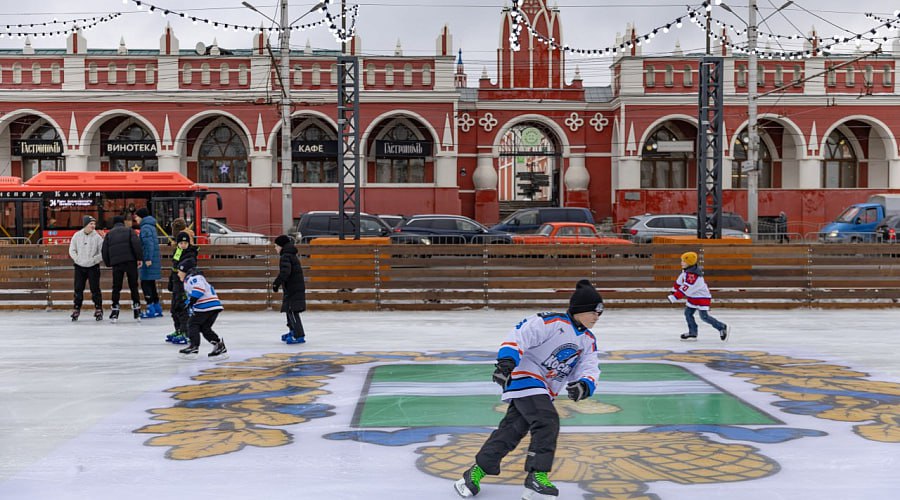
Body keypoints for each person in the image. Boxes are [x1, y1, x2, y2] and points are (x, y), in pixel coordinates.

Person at [454, 279, 603, 500]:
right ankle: (537, 477)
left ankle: (474, 473)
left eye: (600, 312)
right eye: (594, 311)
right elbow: (519, 336)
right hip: (524, 376)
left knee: (511, 431)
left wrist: (585, 384)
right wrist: (506, 362)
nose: (597, 316)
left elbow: (589, 367)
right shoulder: (552, 322)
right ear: (579, 309)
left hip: (544, 389)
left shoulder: (588, 341)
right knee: (547, 420)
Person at [667, 251, 729, 341]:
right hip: (693, 297)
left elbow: (686, 287)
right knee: (688, 313)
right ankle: (693, 332)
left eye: (684, 261)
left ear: (689, 263)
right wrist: (674, 290)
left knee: (704, 317)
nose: (681, 263)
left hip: (702, 298)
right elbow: (679, 282)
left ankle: (721, 327)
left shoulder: (692, 275)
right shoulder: (686, 272)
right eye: (682, 260)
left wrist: (674, 297)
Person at [176, 258, 227, 360]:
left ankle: (194, 346)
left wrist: (191, 302)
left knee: (192, 324)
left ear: (185, 271)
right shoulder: (193, 278)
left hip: (206, 306)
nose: (178, 274)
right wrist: (186, 304)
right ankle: (219, 345)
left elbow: (199, 289)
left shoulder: (193, 278)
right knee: (205, 328)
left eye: (179, 271)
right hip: (213, 306)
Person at [101, 215, 143, 322]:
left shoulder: (109, 234)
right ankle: (137, 308)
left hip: (117, 263)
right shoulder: (129, 231)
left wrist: (108, 263)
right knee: (133, 286)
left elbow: (104, 250)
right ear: (123, 222)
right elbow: (136, 244)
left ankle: (115, 309)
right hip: (130, 261)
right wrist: (139, 258)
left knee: (116, 287)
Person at [67, 215, 104, 321]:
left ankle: (98, 308)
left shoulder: (97, 237)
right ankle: (76, 308)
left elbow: (102, 252)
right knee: (78, 288)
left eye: (94, 224)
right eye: (91, 224)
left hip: (93, 267)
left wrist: (94, 260)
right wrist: (77, 259)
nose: (93, 226)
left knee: (95, 289)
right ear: (85, 225)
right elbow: (72, 250)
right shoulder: (77, 236)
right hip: (79, 266)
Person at [165, 231, 198, 344]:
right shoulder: (177, 252)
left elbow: (189, 266)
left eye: (185, 243)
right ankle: (178, 330)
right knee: (174, 308)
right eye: (181, 243)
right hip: (176, 284)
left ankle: (185, 332)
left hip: (184, 286)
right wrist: (171, 283)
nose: (183, 245)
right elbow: (174, 269)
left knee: (182, 308)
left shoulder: (190, 254)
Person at [273, 235, 307, 344]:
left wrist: (276, 283)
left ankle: (298, 335)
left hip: (293, 288)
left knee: (292, 311)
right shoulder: (289, 255)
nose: (275, 248)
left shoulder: (285, 256)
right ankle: (292, 331)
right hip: (293, 287)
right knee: (289, 310)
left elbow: (285, 272)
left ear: (281, 246)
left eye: (276, 246)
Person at [134, 207, 163, 319]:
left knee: (145, 283)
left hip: (148, 260)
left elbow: (148, 244)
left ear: (141, 217)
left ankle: (150, 309)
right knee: (151, 284)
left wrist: (147, 259)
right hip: (152, 259)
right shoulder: (151, 226)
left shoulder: (145, 228)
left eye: (137, 217)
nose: (136, 219)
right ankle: (157, 308)